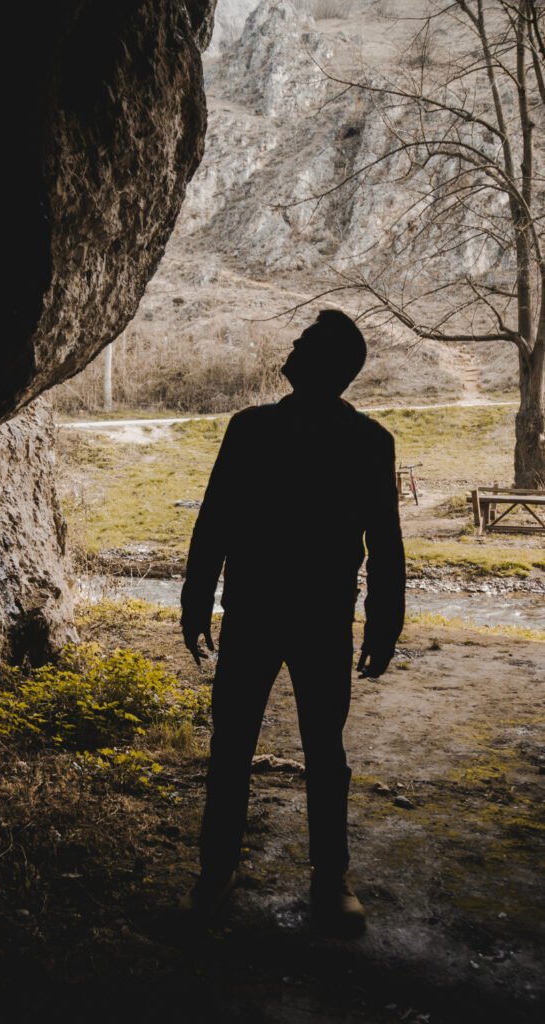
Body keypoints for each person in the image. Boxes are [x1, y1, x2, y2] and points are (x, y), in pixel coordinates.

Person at [178, 309, 406, 935]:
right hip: (285, 614)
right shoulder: (269, 430)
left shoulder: (336, 439)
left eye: (304, 342)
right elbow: (216, 517)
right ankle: (274, 877)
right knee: (275, 749)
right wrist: (196, 598)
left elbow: (385, 541)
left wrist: (385, 617)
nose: (293, 346)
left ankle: (286, 876)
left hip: (287, 613)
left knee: (289, 750)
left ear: (329, 365)